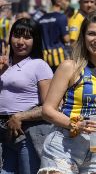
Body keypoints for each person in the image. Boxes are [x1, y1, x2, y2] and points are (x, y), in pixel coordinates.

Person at [38, 11, 96, 173]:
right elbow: (47, 110)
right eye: (91, 33)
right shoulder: (70, 66)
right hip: (64, 145)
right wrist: (77, 124)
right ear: (83, 36)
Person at [0, 18, 53, 174]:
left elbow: (49, 107)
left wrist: (20, 117)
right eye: (17, 35)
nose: (20, 41)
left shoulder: (39, 65)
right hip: (3, 134)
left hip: (27, 133)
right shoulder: (4, 64)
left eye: (27, 37)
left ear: (35, 41)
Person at [39, 0, 70, 71]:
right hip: (59, 57)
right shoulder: (61, 17)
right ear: (59, 2)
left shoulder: (41, 18)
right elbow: (66, 38)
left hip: (45, 57)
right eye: (66, 0)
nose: (67, 3)